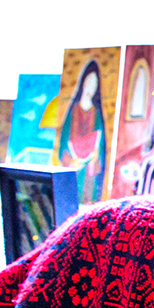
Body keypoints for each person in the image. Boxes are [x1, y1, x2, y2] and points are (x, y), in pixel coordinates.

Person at [57, 60, 107, 204]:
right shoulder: (73, 111)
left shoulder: (96, 114)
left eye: (94, 85)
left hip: (88, 176)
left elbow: (99, 144)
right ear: (83, 84)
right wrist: (71, 161)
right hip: (72, 167)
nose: (91, 88)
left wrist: (94, 159)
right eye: (89, 83)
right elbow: (63, 141)